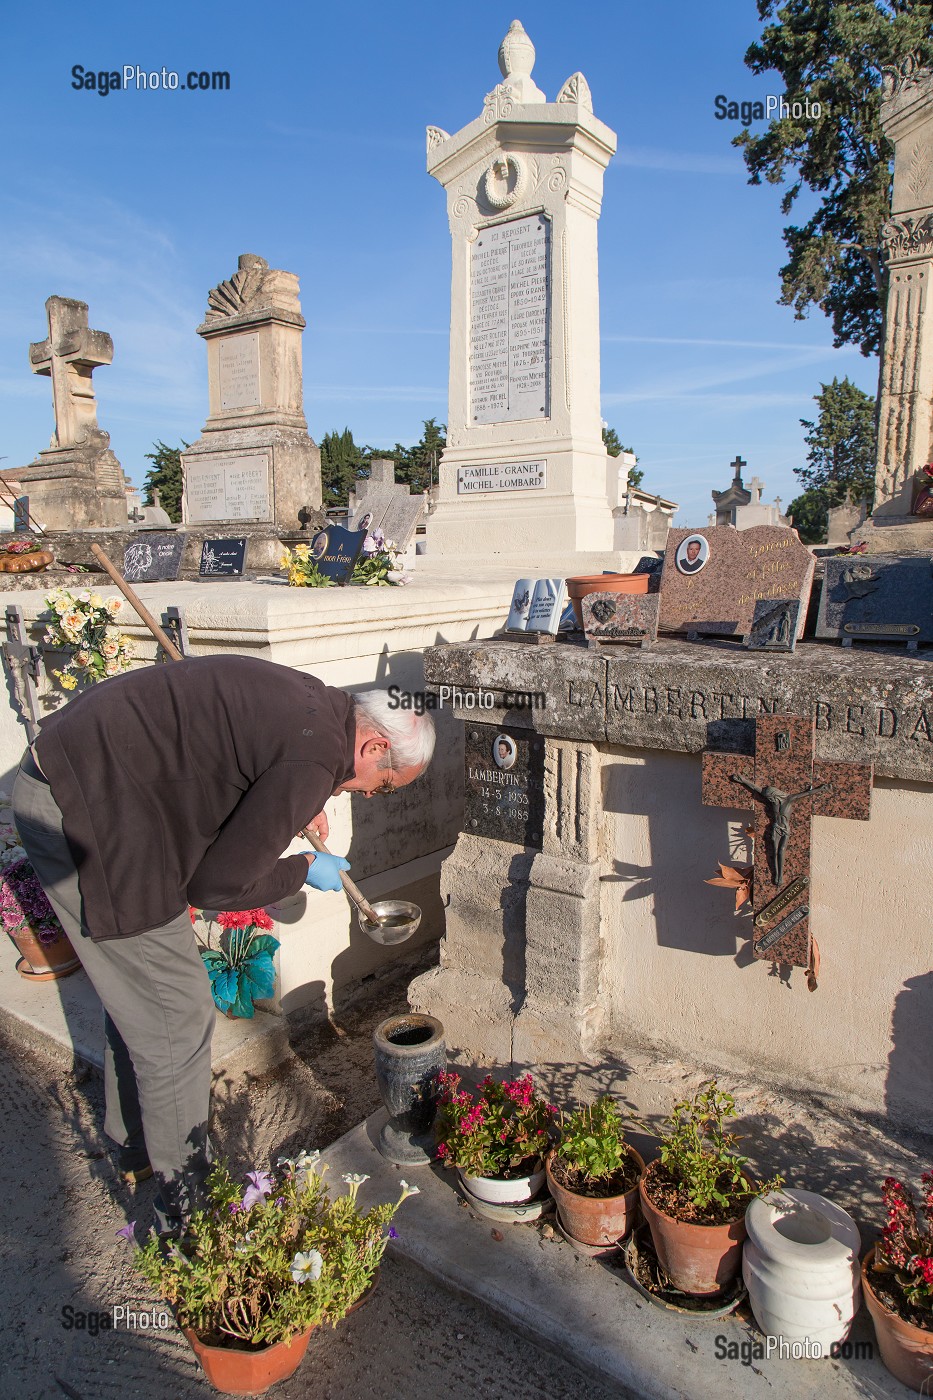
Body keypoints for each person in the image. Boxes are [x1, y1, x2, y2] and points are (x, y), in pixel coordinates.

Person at [11, 655, 435, 1235]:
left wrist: (294, 804)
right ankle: (188, 1214)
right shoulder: (312, 757)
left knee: (142, 988)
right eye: (382, 784)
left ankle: (136, 1148)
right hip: (85, 813)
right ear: (371, 747)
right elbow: (218, 886)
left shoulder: (321, 704)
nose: (367, 794)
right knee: (177, 1017)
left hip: (85, 786)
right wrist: (300, 869)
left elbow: (250, 763)